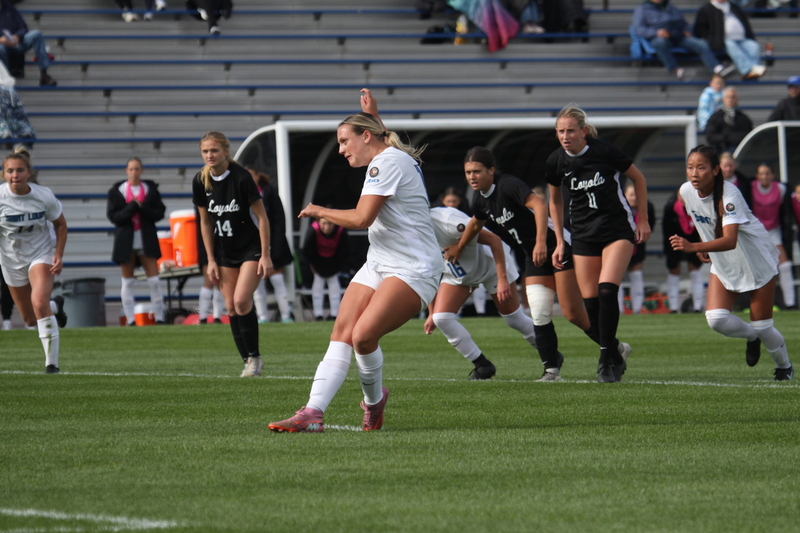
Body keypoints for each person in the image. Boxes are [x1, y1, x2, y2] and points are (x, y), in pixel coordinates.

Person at [269, 89, 443, 433]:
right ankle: (312, 411)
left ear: (366, 136)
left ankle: (375, 401)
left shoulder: (385, 162)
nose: (340, 149)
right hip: (381, 261)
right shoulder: (388, 152)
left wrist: (319, 210)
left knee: (363, 336)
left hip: (415, 267)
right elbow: (378, 137)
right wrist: (375, 115)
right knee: (342, 332)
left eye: (344, 140)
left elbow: (363, 218)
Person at [449, 146, 631, 382]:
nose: (472, 176)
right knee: (539, 311)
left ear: (491, 170)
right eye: (468, 172)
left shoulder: (508, 185)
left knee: (573, 314)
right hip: (532, 254)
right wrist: (459, 247)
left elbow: (539, 205)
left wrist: (541, 243)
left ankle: (614, 348)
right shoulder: (481, 199)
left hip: (556, 246)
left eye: (477, 171)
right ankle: (552, 371)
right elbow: (475, 223)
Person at [670, 145, 793, 381]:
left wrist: (694, 246)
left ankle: (784, 367)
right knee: (716, 319)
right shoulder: (686, 191)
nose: (694, 173)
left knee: (763, 326)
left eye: (701, 167)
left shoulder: (730, 194)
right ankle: (751, 338)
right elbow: (701, 219)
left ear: (716, 170)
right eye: (690, 167)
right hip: (724, 261)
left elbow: (730, 240)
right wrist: (703, 243)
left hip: (755, 260)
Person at [546, 105, 649, 383]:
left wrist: (643, 221)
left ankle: (606, 360)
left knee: (606, 291)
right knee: (590, 302)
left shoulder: (604, 151)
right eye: (560, 131)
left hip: (616, 230)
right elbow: (554, 200)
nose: (565, 136)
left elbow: (638, 178)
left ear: (583, 131)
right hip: (582, 234)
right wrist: (558, 240)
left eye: (570, 130)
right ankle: (616, 352)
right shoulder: (556, 160)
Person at [192, 131, 273, 377]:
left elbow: (262, 217)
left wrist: (266, 255)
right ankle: (248, 360)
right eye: (205, 151)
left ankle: (255, 358)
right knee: (230, 307)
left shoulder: (242, 178)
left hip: (249, 249)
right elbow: (205, 222)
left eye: (214, 151)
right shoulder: (200, 180)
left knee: (241, 301)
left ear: (226, 152)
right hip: (223, 251)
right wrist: (211, 260)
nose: (209, 155)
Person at [425, 205, 538, 379]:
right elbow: (428, 271)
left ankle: (551, 355)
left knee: (514, 319)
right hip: (460, 270)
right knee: (441, 318)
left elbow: (494, 241)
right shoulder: (410, 231)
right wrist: (431, 312)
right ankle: (482, 365)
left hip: (490, 264)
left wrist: (502, 280)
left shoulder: (446, 220)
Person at [0, 150, 67, 372]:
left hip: (40, 253)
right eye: (10, 170)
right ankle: (56, 305)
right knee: (29, 319)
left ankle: (52, 364)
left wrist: (58, 253)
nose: (15, 175)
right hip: (11, 260)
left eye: (20, 170)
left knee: (39, 304)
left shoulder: (43, 196)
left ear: (29, 172)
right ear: (4, 174)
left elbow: (61, 224)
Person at [106, 157, 167, 326]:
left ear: (142, 170)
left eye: (137, 169)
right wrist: (132, 207)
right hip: (126, 241)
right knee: (127, 281)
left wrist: (143, 208)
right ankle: (131, 319)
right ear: (126, 171)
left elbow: (159, 212)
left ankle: (160, 317)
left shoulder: (150, 190)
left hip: (146, 238)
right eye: (131, 169)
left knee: (154, 280)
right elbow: (114, 217)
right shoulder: (117, 191)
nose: (134, 172)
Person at [247, 166, 294, 324]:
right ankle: (262, 316)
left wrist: (275, 246)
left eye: (250, 176)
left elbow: (279, 220)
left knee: (277, 279)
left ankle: (286, 315)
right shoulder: (241, 194)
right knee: (257, 284)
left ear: (257, 176)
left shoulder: (269, 192)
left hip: (272, 244)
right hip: (253, 246)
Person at [631, 0, 724, 81]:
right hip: (659, 37)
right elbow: (639, 29)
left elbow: (683, 22)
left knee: (700, 44)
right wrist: (656, 32)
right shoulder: (642, 10)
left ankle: (715, 67)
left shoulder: (671, 8)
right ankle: (676, 70)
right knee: (659, 43)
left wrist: (687, 30)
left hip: (678, 36)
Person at [751, 162, 796, 309]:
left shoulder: (781, 189)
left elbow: (790, 205)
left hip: (773, 232)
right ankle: (755, 304)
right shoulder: (750, 188)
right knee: (756, 268)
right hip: (756, 232)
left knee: (785, 265)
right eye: (761, 173)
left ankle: (790, 303)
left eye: (767, 173)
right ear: (757, 176)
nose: (764, 176)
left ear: (772, 175)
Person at [694, 0, 767, 79]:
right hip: (723, 41)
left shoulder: (734, 7)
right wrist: (710, 39)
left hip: (741, 39)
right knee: (732, 46)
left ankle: (754, 69)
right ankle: (747, 70)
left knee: (754, 46)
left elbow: (745, 23)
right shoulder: (706, 9)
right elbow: (700, 28)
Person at [662, 188, 705, 313]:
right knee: (674, 270)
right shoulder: (670, 208)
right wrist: (669, 249)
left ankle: (698, 306)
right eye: (682, 196)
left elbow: (702, 227)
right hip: (674, 241)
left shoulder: (698, 207)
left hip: (694, 241)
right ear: (678, 196)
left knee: (694, 269)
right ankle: (673, 307)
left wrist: (701, 246)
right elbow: (666, 230)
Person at [302, 216, 349, 322]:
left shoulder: (340, 231)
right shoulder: (314, 230)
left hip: (334, 264)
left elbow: (345, 252)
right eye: (324, 223)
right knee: (317, 289)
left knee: (335, 290)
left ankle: (334, 314)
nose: (327, 227)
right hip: (317, 264)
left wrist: (338, 267)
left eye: (330, 223)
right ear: (318, 222)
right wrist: (312, 267)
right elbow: (307, 251)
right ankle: (318, 314)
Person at [0, 0, 56, 86]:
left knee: (37, 34)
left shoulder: (9, 8)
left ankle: (44, 75)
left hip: (16, 42)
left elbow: (23, 26)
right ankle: (5, 79)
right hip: (3, 46)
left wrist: (17, 36)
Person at [620, 184, 655, 314]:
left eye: (636, 194)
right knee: (617, 278)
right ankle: (618, 309)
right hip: (620, 244)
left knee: (636, 274)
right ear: (625, 195)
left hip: (638, 245)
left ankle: (637, 308)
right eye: (631, 194)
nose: (634, 198)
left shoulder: (647, 207)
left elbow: (650, 225)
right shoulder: (619, 207)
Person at [194, 207, 224, 324]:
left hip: (222, 241)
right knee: (209, 280)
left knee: (221, 280)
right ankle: (203, 316)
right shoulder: (203, 197)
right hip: (207, 244)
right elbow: (204, 222)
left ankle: (217, 316)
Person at [705, 87, 753, 156]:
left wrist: (734, 138)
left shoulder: (744, 118)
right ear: (723, 99)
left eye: (733, 97)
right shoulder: (716, 117)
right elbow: (710, 136)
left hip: (740, 153)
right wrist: (726, 138)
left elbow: (749, 136)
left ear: (737, 99)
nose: (730, 99)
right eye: (728, 97)